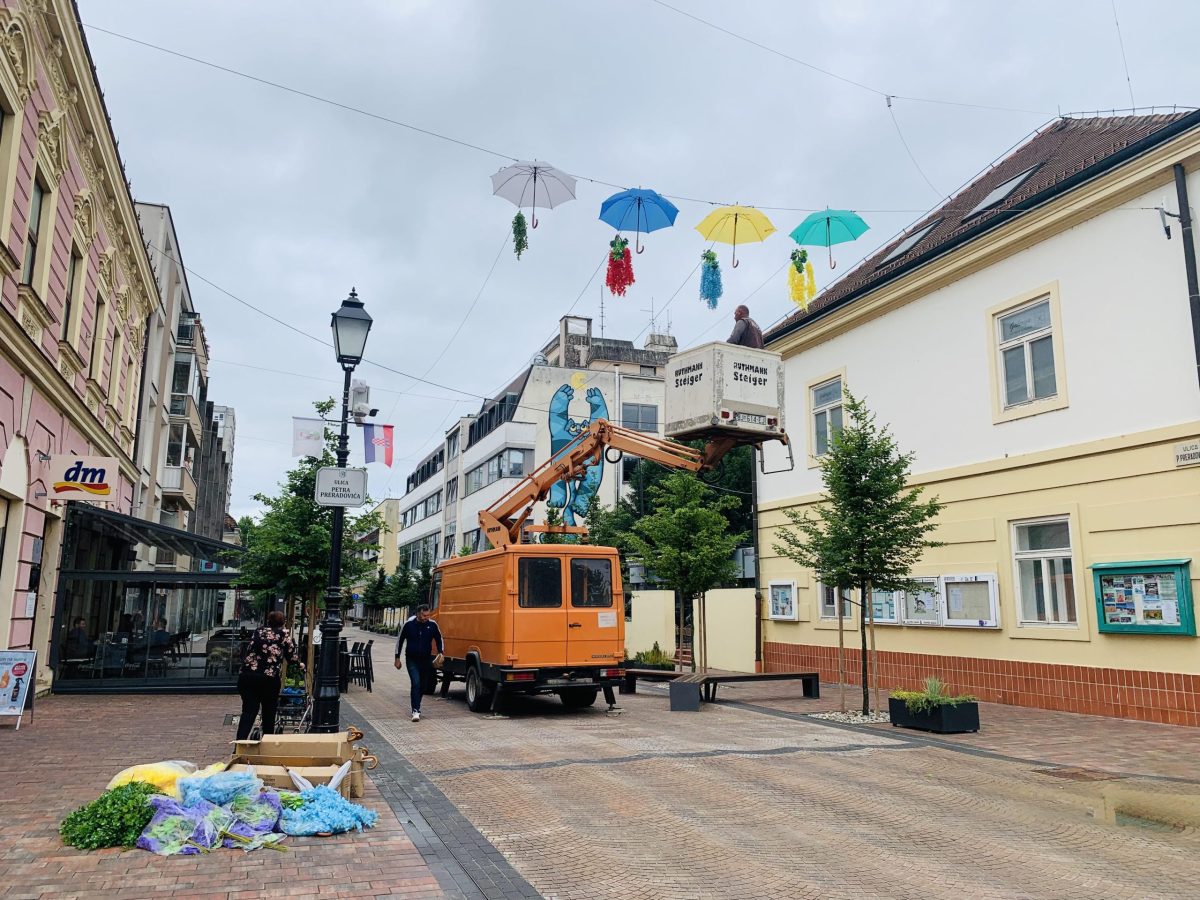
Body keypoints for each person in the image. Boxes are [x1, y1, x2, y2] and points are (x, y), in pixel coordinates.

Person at [236, 610, 302, 740]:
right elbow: (292, 658)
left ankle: (239, 744)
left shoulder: (258, 631)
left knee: (248, 712)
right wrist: (300, 664)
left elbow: (250, 649)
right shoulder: (283, 635)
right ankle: (267, 743)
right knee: (269, 712)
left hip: (247, 676)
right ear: (283, 622)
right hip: (268, 679)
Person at [394, 605, 444, 722]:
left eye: (428, 615)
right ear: (417, 614)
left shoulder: (432, 625)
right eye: (424, 615)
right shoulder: (408, 624)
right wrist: (397, 658)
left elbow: (439, 638)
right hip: (412, 659)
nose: (426, 617)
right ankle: (415, 710)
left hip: (426, 659)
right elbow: (399, 641)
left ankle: (417, 704)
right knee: (415, 683)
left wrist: (440, 652)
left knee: (423, 685)